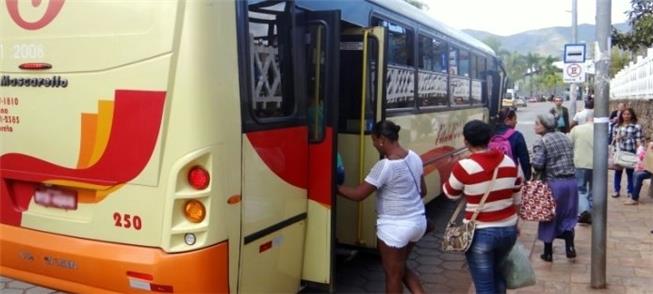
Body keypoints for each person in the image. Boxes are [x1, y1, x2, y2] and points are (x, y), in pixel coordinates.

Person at [337, 120, 426, 294]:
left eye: (373, 141)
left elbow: (358, 194)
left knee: (392, 275)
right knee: (400, 269)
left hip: (395, 228)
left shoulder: (384, 166)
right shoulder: (414, 156)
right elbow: (423, 191)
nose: (374, 145)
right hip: (418, 223)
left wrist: (335, 188)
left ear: (382, 140)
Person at [443, 120, 521, 294]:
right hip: (508, 230)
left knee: (485, 287)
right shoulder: (508, 162)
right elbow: (517, 194)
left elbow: (450, 194)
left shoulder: (464, 166)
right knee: (498, 278)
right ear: (489, 139)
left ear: (466, 141)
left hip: (480, 233)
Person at [531, 113, 578, 262]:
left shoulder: (542, 142)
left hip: (554, 185)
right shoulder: (565, 137)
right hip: (571, 184)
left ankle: (548, 252)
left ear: (544, 126)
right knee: (567, 216)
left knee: (549, 217)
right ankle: (570, 247)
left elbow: (538, 164)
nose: (535, 126)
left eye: (537, 123)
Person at [611, 108, 643, 201]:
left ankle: (630, 191)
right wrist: (617, 138)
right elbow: (613, 138)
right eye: (624, 114)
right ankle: (616, 190)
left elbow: (638, 139)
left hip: (631, 152)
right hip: (620, 152)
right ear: (621, 115)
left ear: (632, 115)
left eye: (628, 114)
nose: (626, 116)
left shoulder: (636, 126)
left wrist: (640, 150)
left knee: (630, 173)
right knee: (618, 172)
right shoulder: (617, 126)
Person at [493, 107, 532, 180]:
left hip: (492, 174)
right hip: (510, 175)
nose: (516, 122)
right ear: (507, 120)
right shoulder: (517, 135)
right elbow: (524, 159)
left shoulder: (490, 134)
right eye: (514, 119)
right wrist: (528, 176)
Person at [568, 112, 594, 224]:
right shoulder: (602, 129)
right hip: (597, 164)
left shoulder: (577, 129)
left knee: (580, 188)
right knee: (594, 189)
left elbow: (569, 144)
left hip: (580, 162)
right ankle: (592, 211)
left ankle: (584, 210)